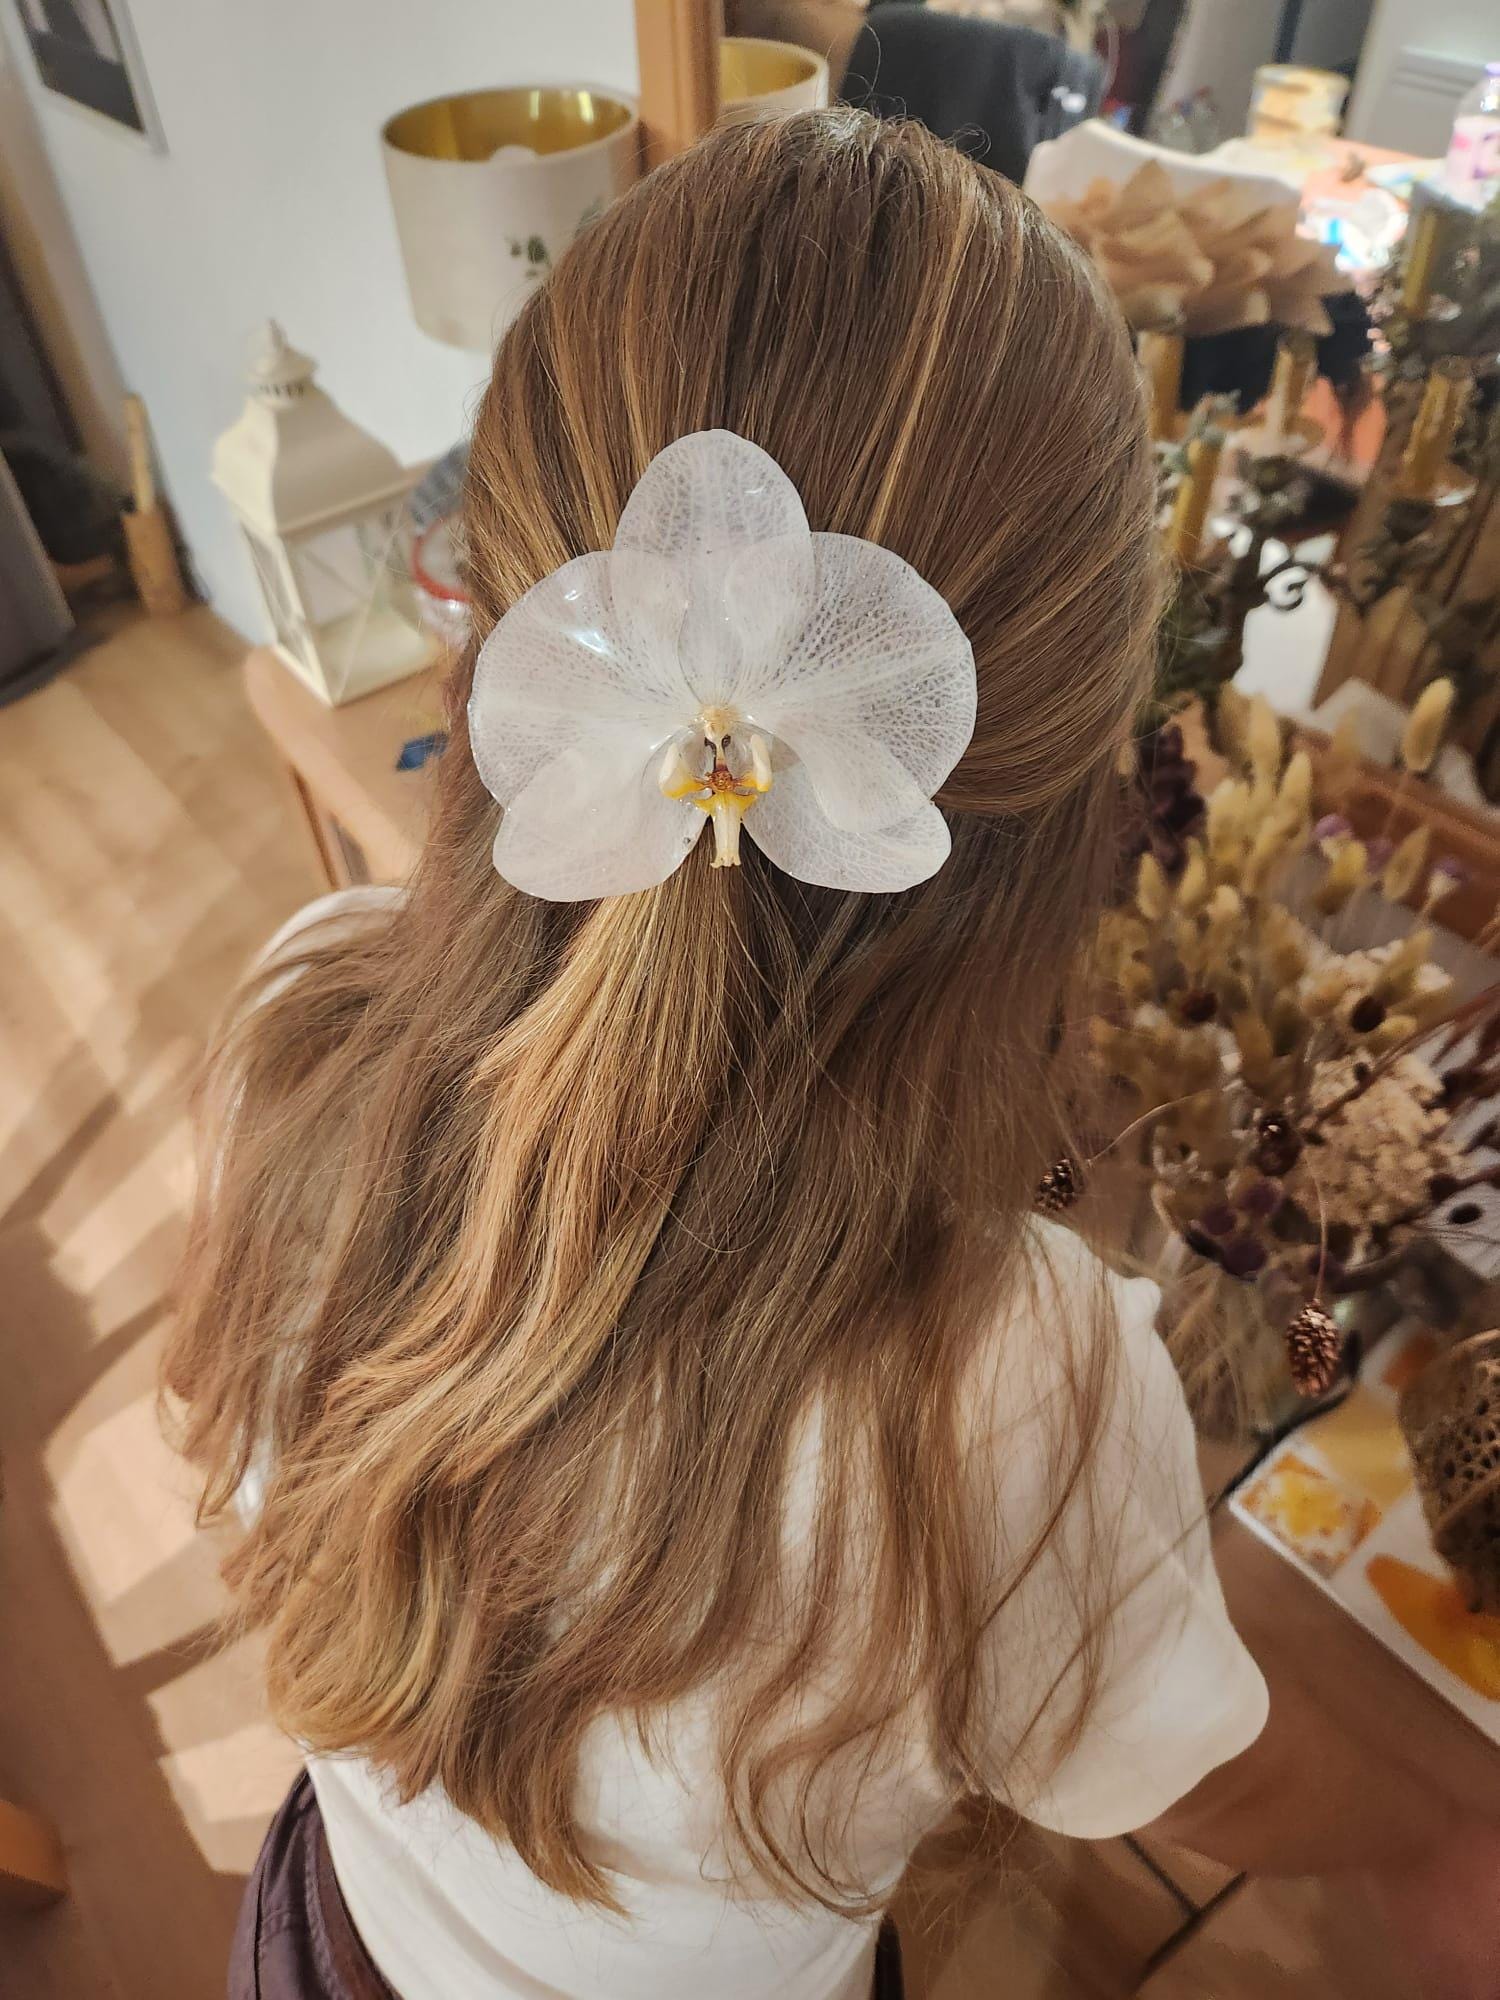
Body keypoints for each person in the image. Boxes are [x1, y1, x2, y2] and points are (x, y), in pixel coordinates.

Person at [168, 111, 1498, 2000]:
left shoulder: (297, 1017)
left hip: (318, 1939)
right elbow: (1204, 1771)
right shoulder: (1017, 1381)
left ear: (495, 627)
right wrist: (1445, 1832)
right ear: (1087, 778)